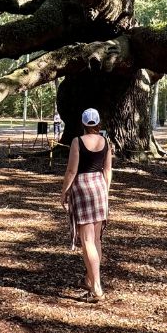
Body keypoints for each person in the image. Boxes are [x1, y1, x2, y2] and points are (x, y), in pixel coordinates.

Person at [61, 107, 112, 302]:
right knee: (96, 240)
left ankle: (97, 288)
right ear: (98, 123)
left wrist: (64, 192)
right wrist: (105, 191)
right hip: (99, 187)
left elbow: (72, 170)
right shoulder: (105, 142)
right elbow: (107, 170)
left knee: (87, 241)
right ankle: (90, 280)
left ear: (83, 124)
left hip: (82, 187)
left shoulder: (77, 141)